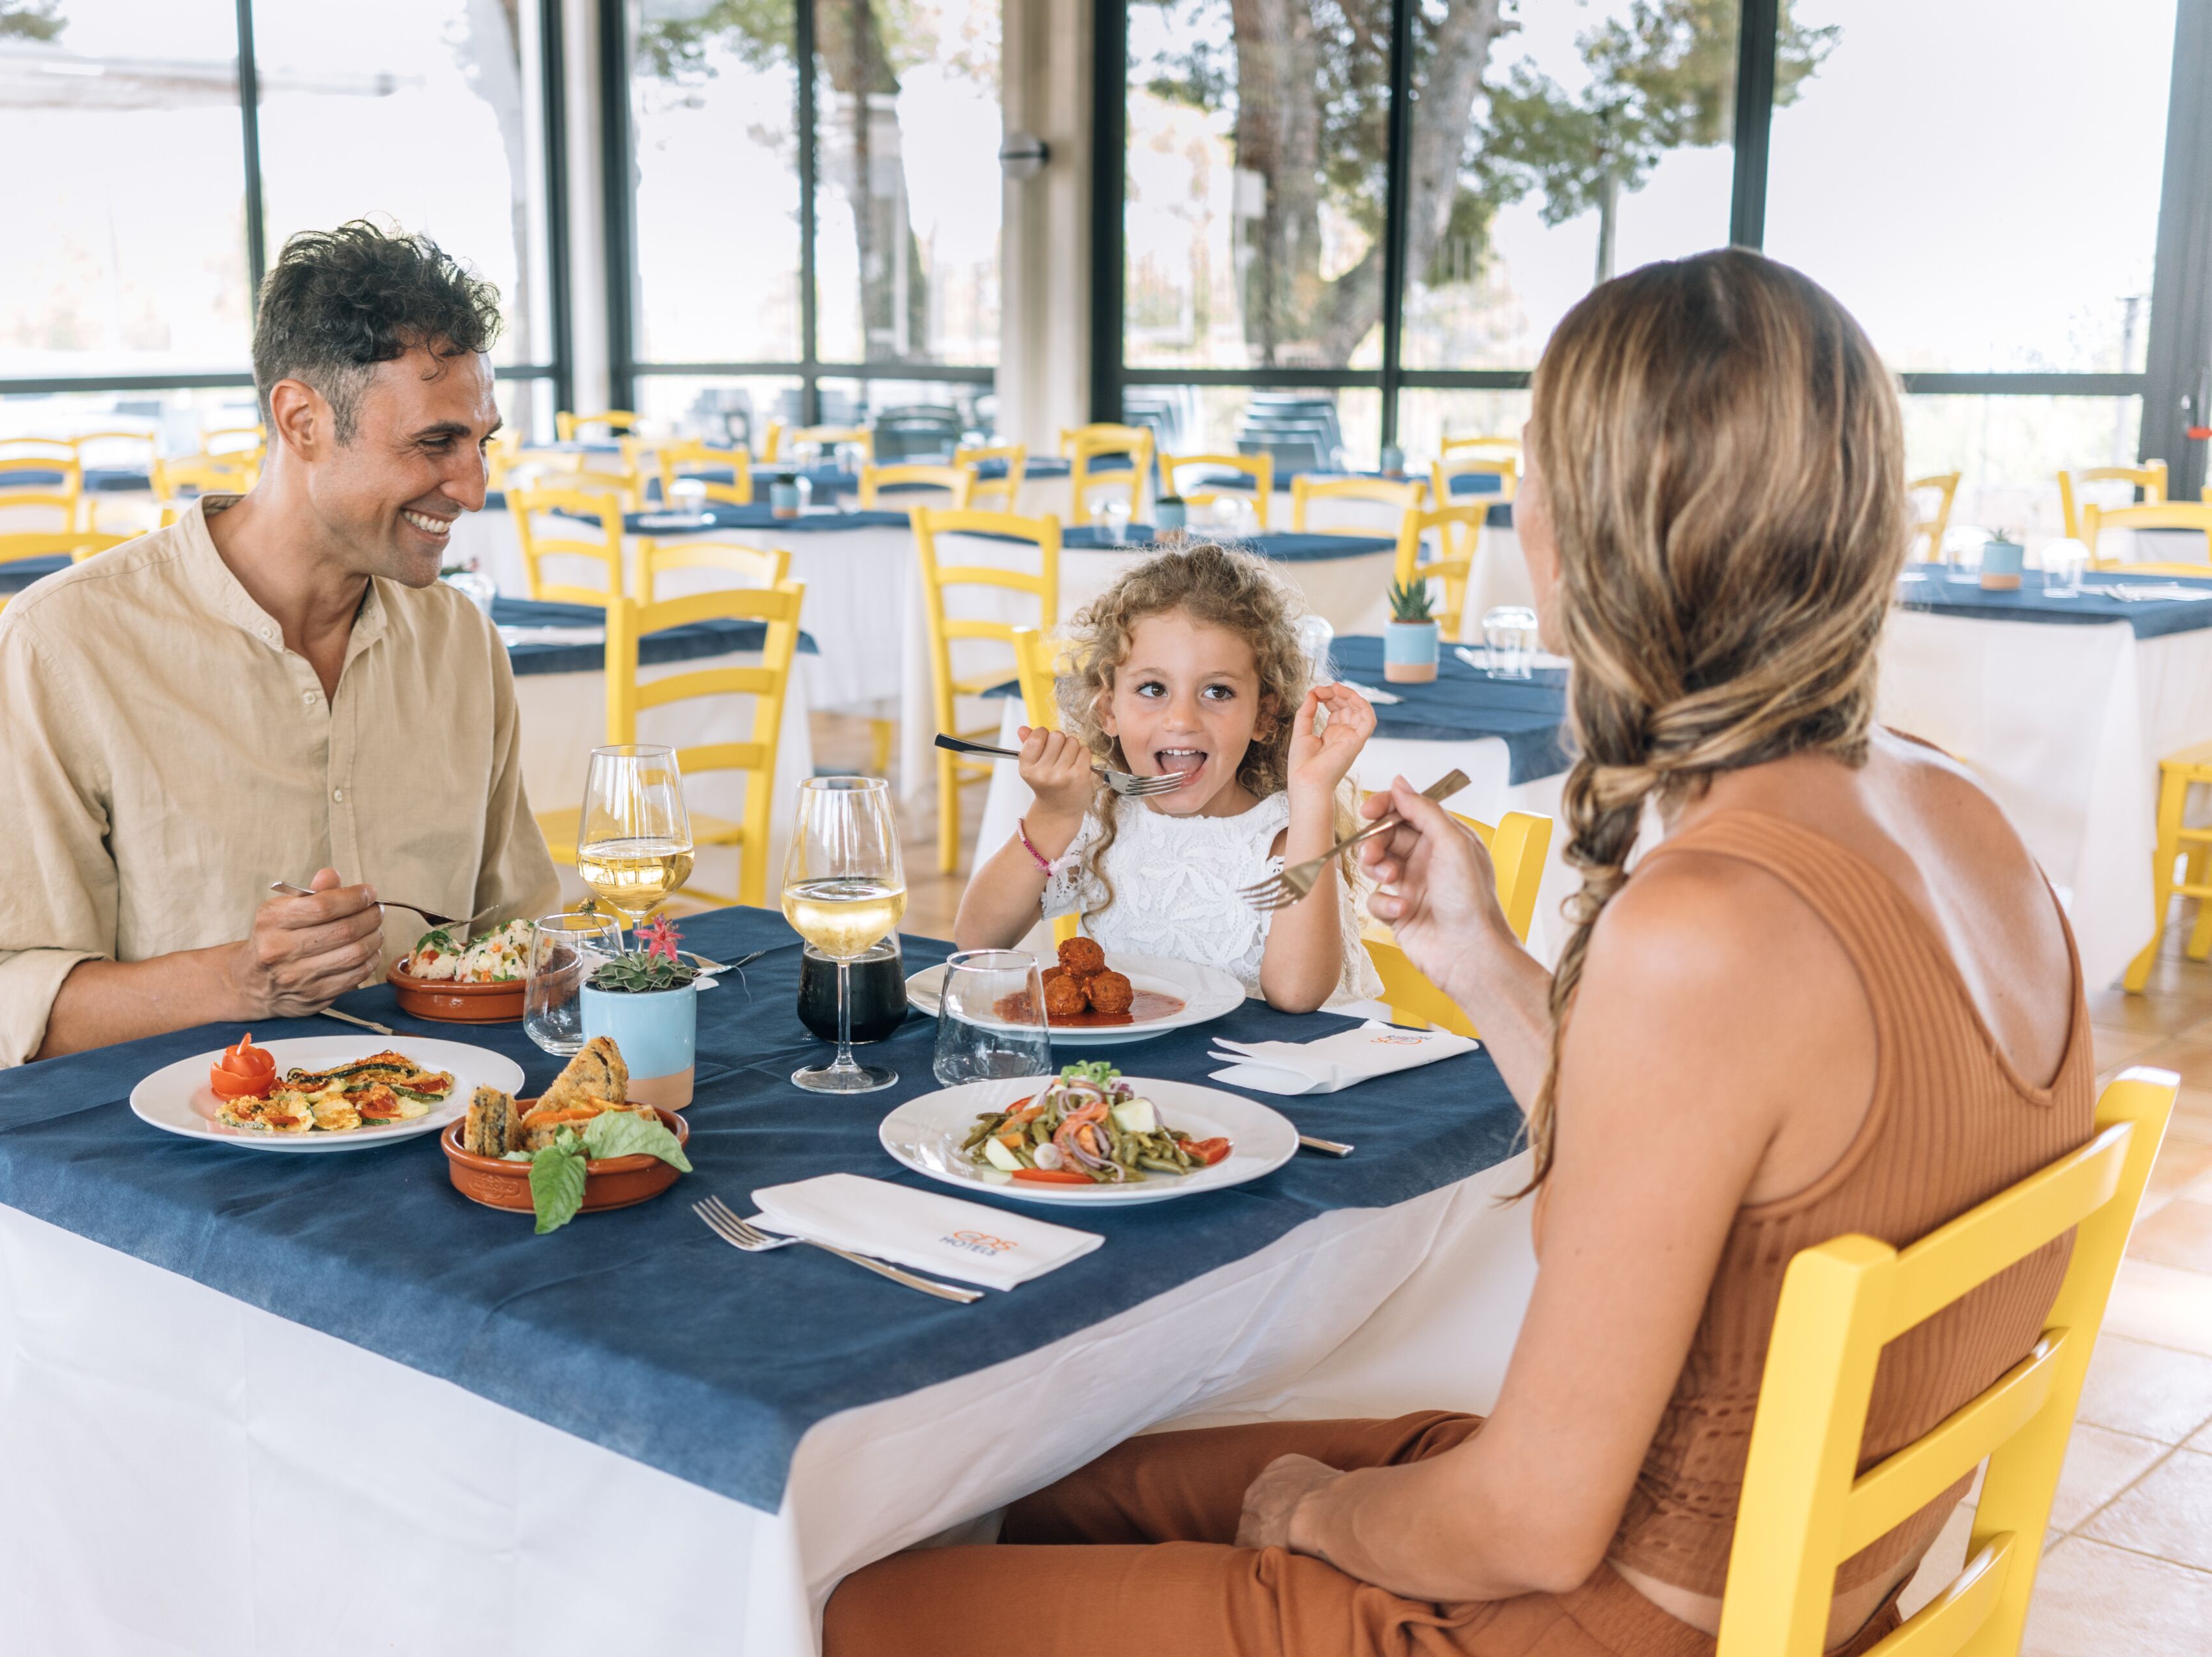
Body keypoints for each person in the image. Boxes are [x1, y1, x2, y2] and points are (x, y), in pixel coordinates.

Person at [828, 249, 2090, 1656]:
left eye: (1540, 468)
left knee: (876, 1607)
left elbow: (1527, 1521)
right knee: (1063, 1492)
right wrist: (1481, 954)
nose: (1519, 507)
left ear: (1610, 523)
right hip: (1778, 1552)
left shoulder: (1711, 924)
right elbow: (1693, 1165)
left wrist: (1316, 1514)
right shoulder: (1962, 812)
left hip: (1606, 1609)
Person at [0, 221, 558, 1066]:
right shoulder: (64, 644)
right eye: (435, 443)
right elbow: (8, 1004)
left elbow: (517, 939)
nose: (475, 489)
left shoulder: (462, 645)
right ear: (302, 421)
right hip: (179, 1162)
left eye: (481, 442)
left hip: (439, 1137)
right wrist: (239, 981)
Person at [949, 541, 1382, 1012]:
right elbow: (978, 940)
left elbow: (1297, 994)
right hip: (1131, 1078)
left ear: (1264, 715)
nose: (1181, 719)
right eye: (1153, 688)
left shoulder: (1285, 838)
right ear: (1109, 709)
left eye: (1218, 691)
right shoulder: (1102, 821)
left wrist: (1313, 795)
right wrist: (1051, 815)